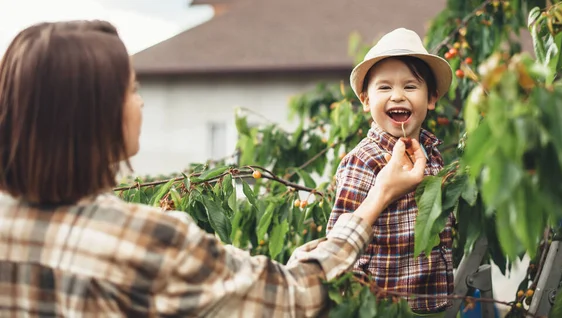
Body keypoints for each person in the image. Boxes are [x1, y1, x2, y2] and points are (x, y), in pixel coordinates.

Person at [0, 20, 428, 317]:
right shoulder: (148, 240)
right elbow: (291, 297)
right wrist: (377, 200)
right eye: (131, 89)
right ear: (93, 112)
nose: (141, 101)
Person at [326, 28, 455, 316]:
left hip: (431, 301)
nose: (397, 96)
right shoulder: (363, 160)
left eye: (410, 87)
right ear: (366, 101)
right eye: (384, 88)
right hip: (381, 305)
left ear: (431, 99)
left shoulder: (433, 154)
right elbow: (338, 237)